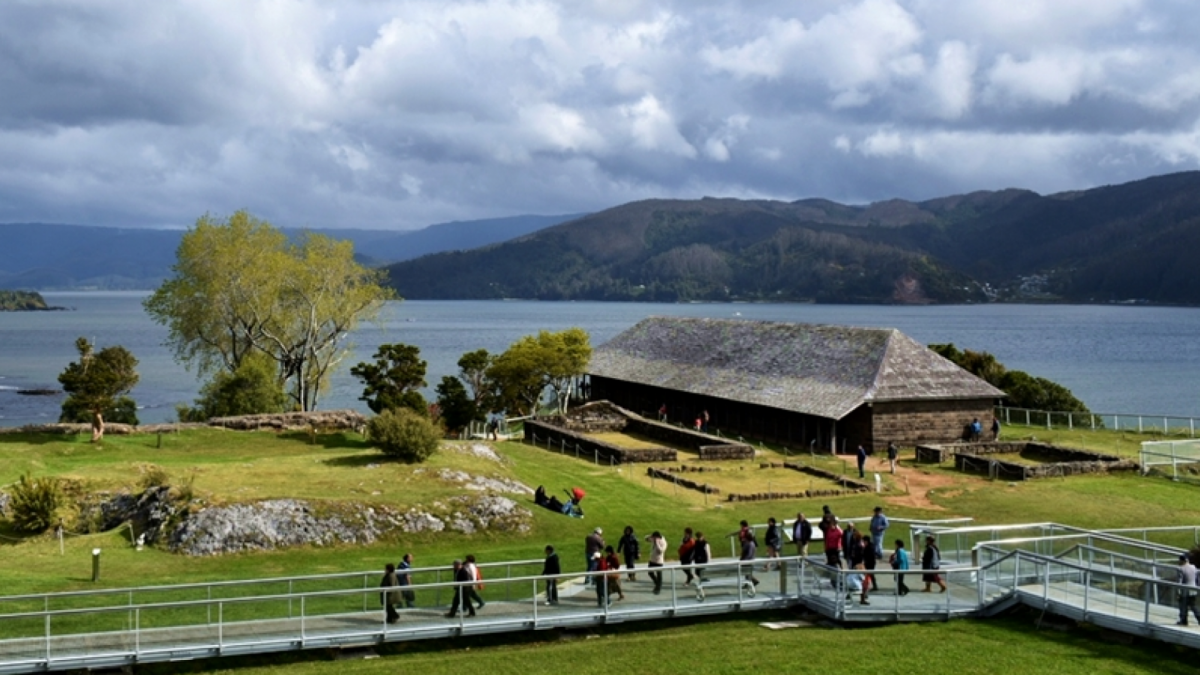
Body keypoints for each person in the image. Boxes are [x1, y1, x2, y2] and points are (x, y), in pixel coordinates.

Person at [1178, 553, 1200, 626]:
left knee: (1183, 606)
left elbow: (1179, 582)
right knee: (1193, 606)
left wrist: (1178, 592)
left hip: (1185, 591)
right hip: (1193, 589)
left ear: (1182, 560)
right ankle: (1199, 618)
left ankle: (1183, 620)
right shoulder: (1194, 567)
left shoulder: (1180, 569)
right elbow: (1197, 578)